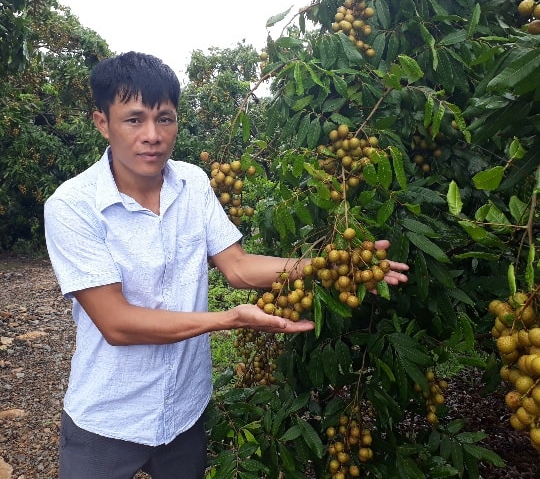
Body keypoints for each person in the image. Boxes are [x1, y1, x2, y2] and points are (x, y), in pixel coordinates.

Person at [44, 51, 409, 479]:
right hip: (107, 419)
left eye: (165, 118)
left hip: (183, 411)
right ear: (102, 122)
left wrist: (330, 265)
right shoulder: (72, 206)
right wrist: (230, 319)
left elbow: (236, 266)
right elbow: (117, 323)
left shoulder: (192, 183)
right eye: (134, 119)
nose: (152, 135)